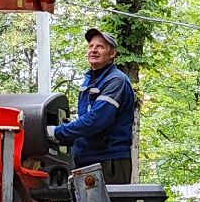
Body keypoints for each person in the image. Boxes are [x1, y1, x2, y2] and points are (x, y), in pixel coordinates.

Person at [50, 27, 137, 185]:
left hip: (109, 161)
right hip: (88, 159)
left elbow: (97, 120)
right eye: (91, 46)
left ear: (112, 54)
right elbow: (87, 119)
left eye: (100, 47)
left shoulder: (116, 80)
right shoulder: (90, 80)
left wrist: (57, 133)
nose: (94, 50)